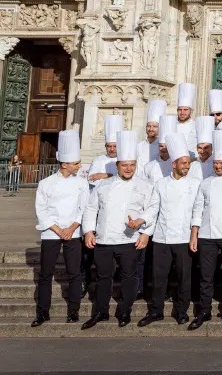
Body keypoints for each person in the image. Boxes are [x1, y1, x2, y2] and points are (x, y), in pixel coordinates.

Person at [82, 131, 153, 329]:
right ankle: (101, 311)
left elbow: (152, 210)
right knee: (103, 277)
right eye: (124, 165)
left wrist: (146, 233)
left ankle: (125, 311)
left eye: (132, 165)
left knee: (129, 277)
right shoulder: (103, 186)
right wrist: (88, 231)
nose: (128, 169)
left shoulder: (145, 186)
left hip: (129, 240)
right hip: (104, 240)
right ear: (117, 166)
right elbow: (90, 209)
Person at [140, 134, 200, 327]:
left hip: (184, 238)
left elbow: (197, 210)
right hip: (162, 238)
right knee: (159, 277)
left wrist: (194, 234)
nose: (187, 166)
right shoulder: (161, 184)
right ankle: (156, 310)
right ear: (174, 164)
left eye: (188, 163)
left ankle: (182, 311)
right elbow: (153, 208)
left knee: (184, 277)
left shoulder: (194, 184)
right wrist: (142, 221)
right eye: (183, 163)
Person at [189, 130, 222, 329]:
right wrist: (194, 234)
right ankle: (204, 311)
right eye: (216, 163)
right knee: (206, 275)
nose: (219, 166)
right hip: (206, 234)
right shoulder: (205, 183)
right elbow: (198, 208)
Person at [33, 130, 87, 326]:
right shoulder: (46, 183)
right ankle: (42, 311)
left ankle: (74, 311)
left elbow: (83, 208)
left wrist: (71, 228)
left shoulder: (82, 184)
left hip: (73, 232)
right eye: (76, 163)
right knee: (46, 273)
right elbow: (41, 209)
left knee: (74, 272)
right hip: (51, 232)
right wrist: (58, 229)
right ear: (64, 164)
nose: (79, 166)